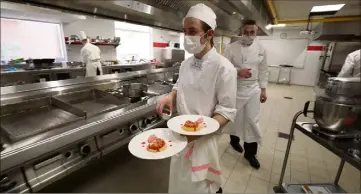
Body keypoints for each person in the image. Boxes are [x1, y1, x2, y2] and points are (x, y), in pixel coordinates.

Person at [156, 3, 237, 193]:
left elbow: (226, 111)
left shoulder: (224, 68)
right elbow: (179, 86)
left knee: (198, 187)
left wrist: (197, 133)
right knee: (178, 185)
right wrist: (171, 96)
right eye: (185, 31)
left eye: (192, 31)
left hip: (203, 142)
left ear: (210, 34)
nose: (187, 37)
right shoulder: (185, 64)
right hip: (181, 135)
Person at [223, 19, 269, 169]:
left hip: (253, 88)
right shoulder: (231, 48)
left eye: (252, 32)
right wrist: (238, 71)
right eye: (246, 32)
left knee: (252, 119)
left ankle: (250, 153)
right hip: (235, 87)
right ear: (240, 32)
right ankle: (234, 141)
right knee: (234, 117)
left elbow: (263, 70)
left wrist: (263, 90)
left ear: (256, 32)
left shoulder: (261, 49)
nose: (249, 35)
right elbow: (224, 68)